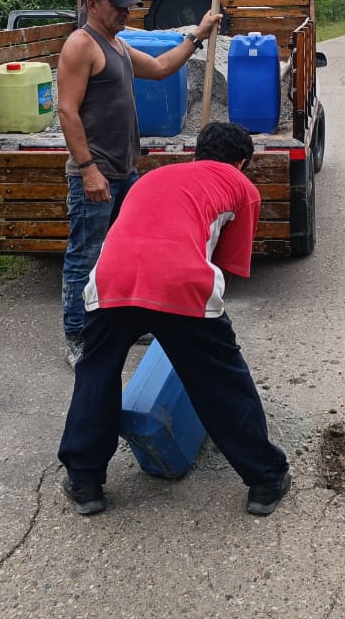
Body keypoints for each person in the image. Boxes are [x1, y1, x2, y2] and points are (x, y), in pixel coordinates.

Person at [56, 121, 293, 516]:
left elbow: (133, 234)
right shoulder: (241, 186)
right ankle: (266, 479)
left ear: (195, 153)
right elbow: (226, 268)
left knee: (96, 373)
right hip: (179, 281)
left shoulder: (153, 177)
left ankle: (85, 482)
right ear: (242, 162)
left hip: (110, 279)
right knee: (221, 379)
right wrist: (199, 332)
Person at [57, 0, 220, 368]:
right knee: (85, 255)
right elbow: (67, 110)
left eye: (130, 6)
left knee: (124, 252)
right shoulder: (82, 45)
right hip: (96, 173)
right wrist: (88, 168)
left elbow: (163, 67)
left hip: (124, 170)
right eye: (119, 6)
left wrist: (196, 35)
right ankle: (77, 335)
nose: (127, 13)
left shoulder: (116, 44)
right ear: (93, 5)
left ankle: (123, 324)